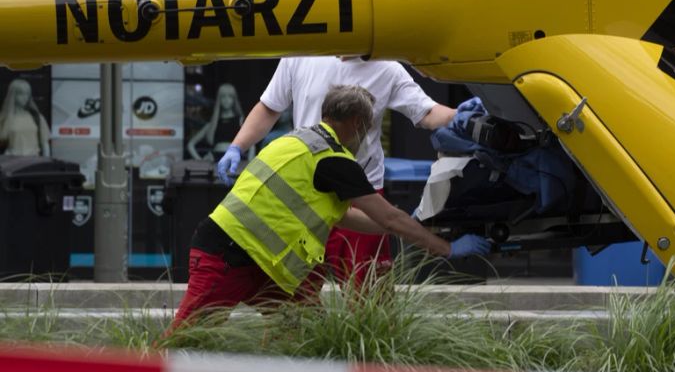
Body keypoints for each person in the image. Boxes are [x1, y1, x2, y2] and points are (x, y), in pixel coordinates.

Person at [170, 84, 489, 329]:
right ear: (355, 121)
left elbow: (347, 216)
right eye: (368, 124)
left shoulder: (294, 142)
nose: (367, 133)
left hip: (259, 262)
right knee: (189, 334)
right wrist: (446, 249)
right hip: (230, 255)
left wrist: (417, 223)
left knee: (304, 329)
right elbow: (388, 218)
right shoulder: (334, 159)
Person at [217, 56, 457, 283]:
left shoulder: (387, 68)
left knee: (367, 293)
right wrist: (237, 146)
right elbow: (270, 106)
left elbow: (427, 112)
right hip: (307, 193)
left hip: (360, 191)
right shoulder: (301, 55)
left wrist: (465, 115)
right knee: (296, 290)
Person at [187, 83, 253, 161]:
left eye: (230, 97)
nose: (226, 100)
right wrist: (200, 161)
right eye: (223, 97)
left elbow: (252, 144)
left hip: (235, 160)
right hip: (215, 160)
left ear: (234, 99)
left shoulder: (240, 120)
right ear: (219, 99)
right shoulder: (213, 123)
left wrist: (249, 164)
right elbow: (190, 145)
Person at [0, 78, 51, 157]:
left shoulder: (37, 117)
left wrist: (46, 163)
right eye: (21, 94)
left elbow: (45, 144)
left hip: (33, 162)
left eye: (27, 94)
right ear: (13, 95)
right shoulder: (5, 118)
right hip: (12, 162)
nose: (25, 97)